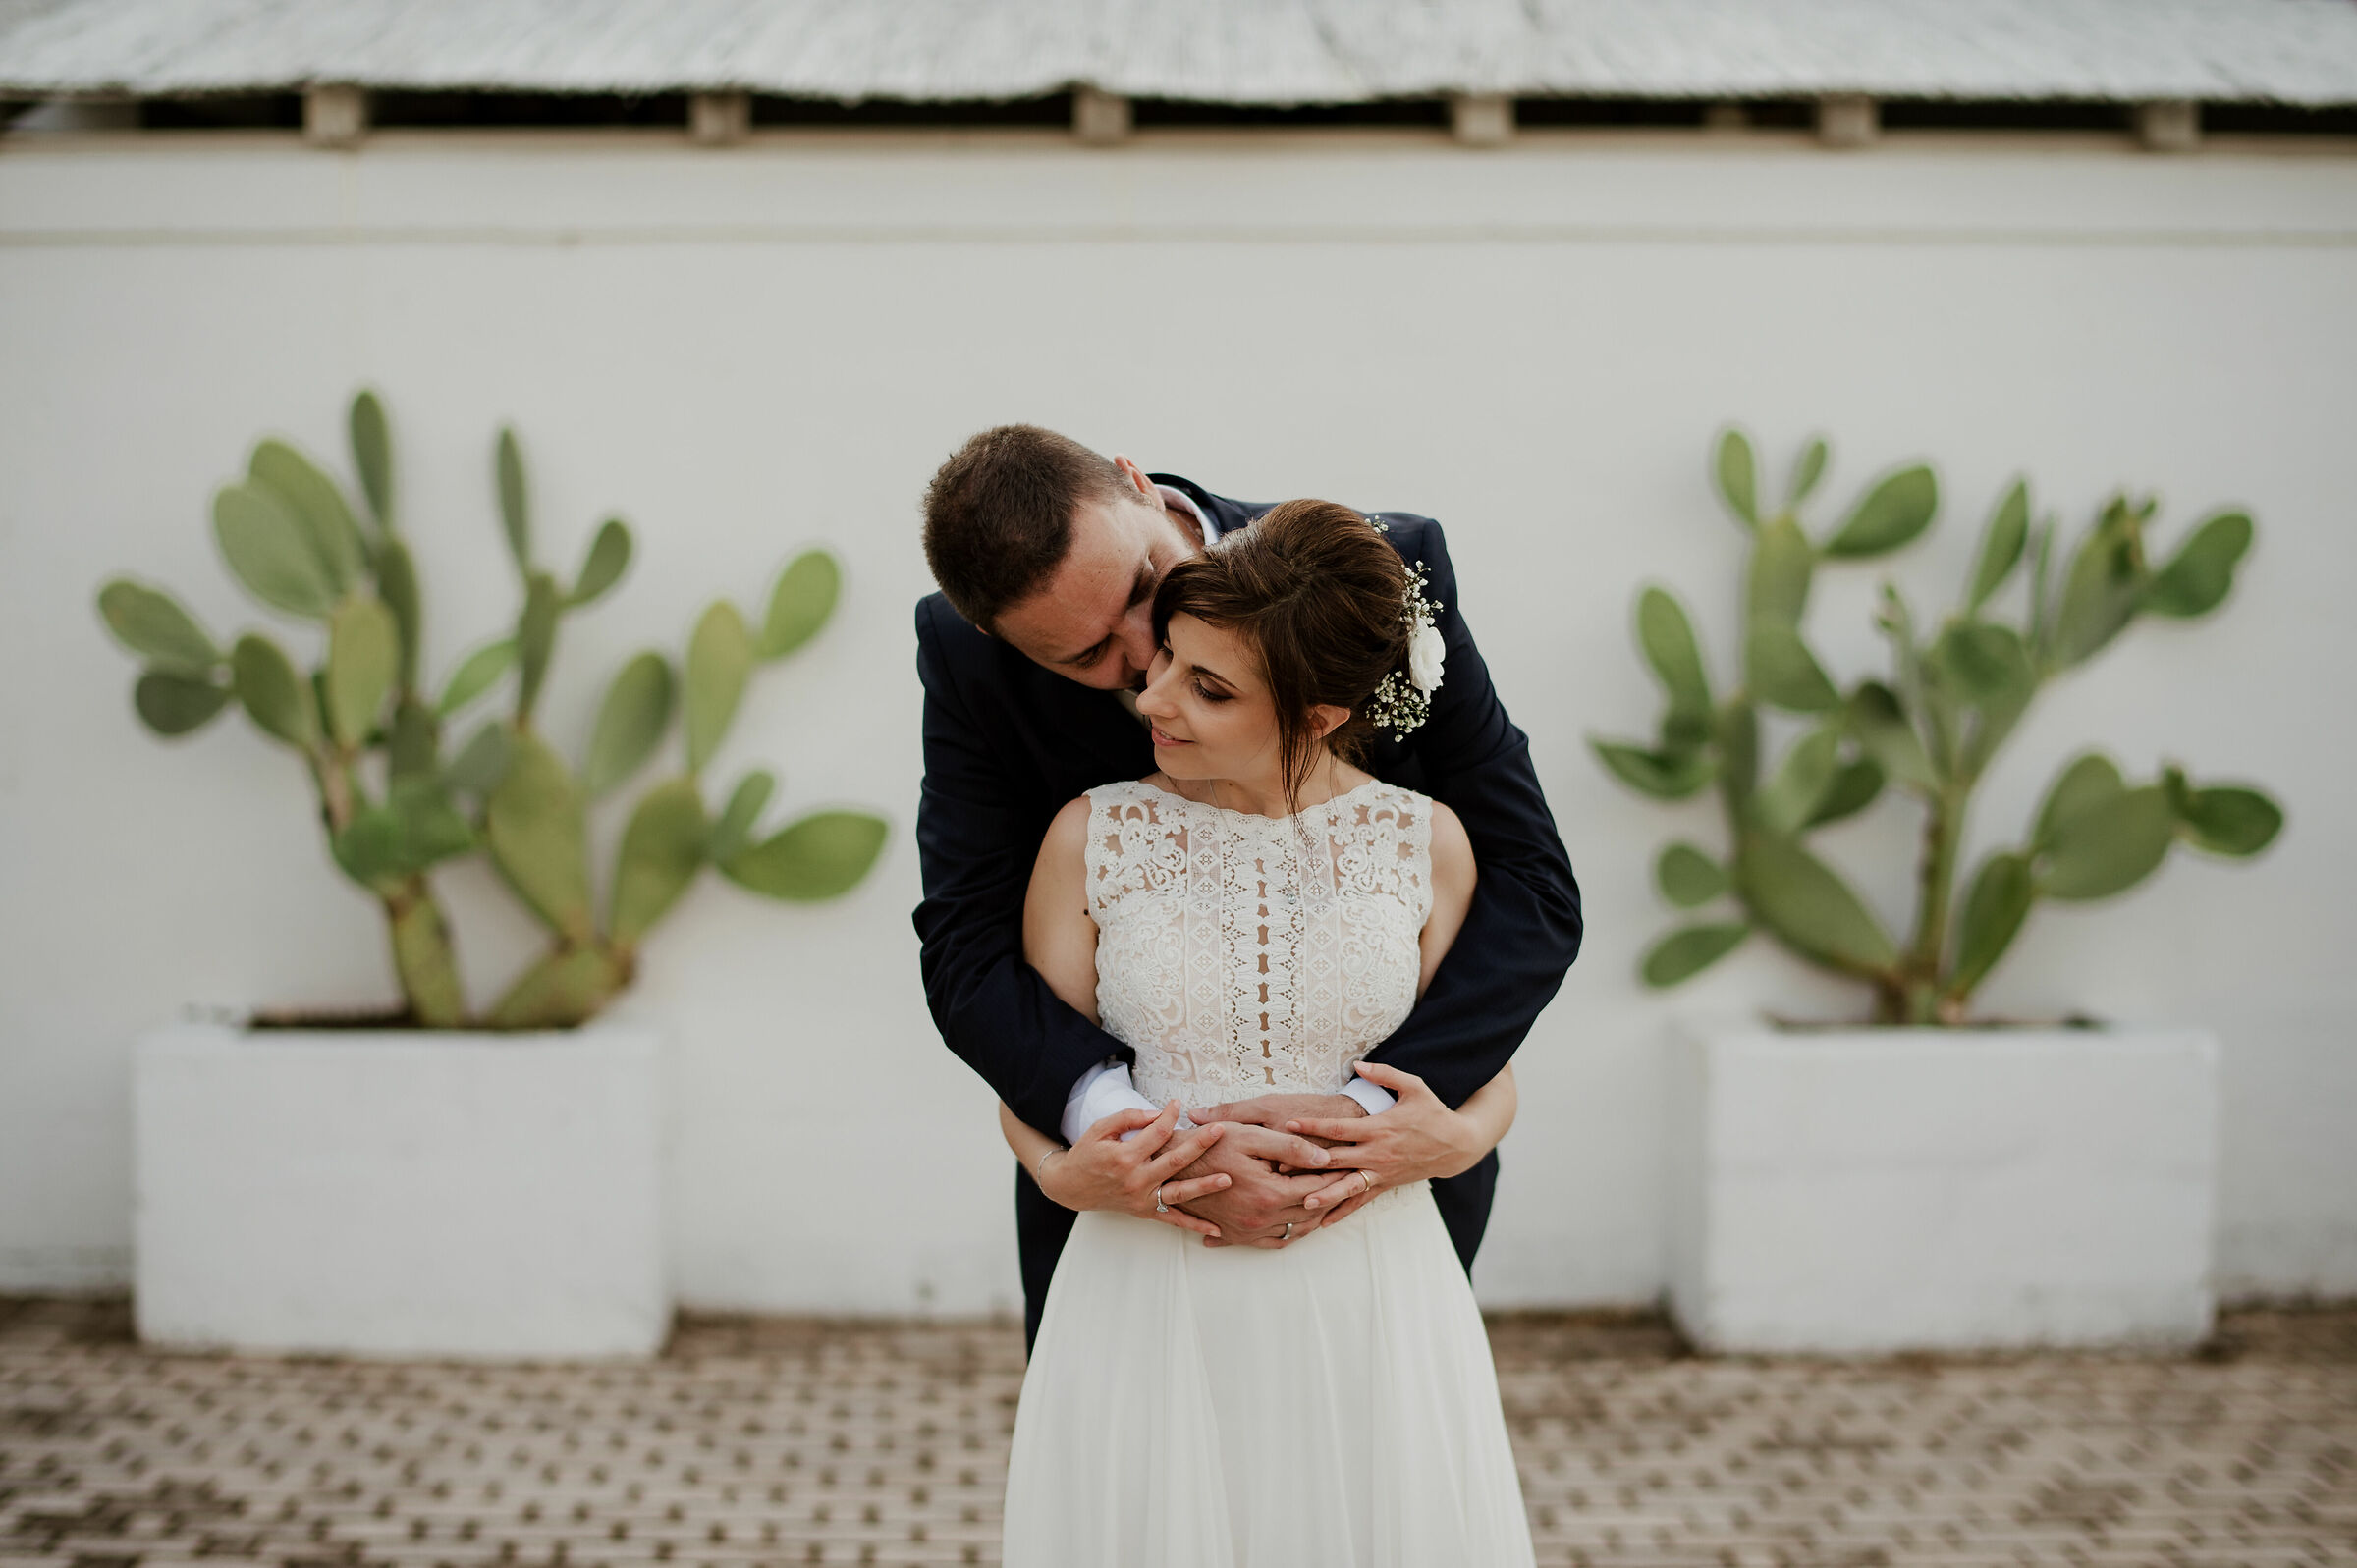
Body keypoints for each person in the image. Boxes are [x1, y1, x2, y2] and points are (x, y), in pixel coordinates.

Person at [913, 427, 1582, 1357]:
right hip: (1133, 1234)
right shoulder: (966, 659)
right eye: (1090, 655)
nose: (1148, 662)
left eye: (1146, 587)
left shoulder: (1381, 572)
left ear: (1136, 484)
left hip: (1386, 1208)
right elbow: (966, 948)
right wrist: (1124, 1135)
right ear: (1003, 641)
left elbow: (1533, 882)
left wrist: (1365, 1125)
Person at [995, 500, 1536, 1562]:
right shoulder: (1089, 837)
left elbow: (1487, 1072)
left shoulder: (1427, 843)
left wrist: (1459, 1141)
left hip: (1375, 1295)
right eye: (1167, 665)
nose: (1153, 697)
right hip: (1146, 1290)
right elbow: (1027, 1075)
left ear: (1321, 710)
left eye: (1208, 686)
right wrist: (1066, 1175)